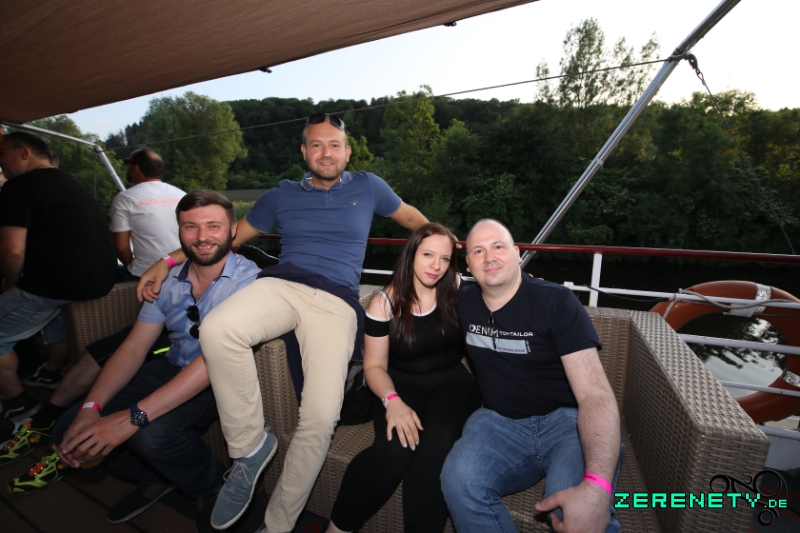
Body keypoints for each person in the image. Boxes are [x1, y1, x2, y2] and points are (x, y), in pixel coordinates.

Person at [137, 113, 429, 533]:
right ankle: (250, 448)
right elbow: (221, 239)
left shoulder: (369, 187)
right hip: (282, 286)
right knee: (218, 329)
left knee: (321, 417)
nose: (325, 153)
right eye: (316, 145)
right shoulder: (280, 195)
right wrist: (165, 262)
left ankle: (277, 526)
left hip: (335, 303)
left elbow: (417, 223)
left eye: (334, 145)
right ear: (304, 152)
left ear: (347, 152)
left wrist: (435, 264)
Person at [7, 191, 260, 532]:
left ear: (232, 230)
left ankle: (212, 486)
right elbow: (134, 348)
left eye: (213, 226)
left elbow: (213, 362)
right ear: (179, 231)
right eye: (190, 227)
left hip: (223, 376)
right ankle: (161, 476)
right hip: (173, 365)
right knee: (70, 427)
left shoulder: (248, 282)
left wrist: (131, 418)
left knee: (151, 436)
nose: (202, 237)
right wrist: (91, 407)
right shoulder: (166, 279)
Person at [440, 219, 622, 533]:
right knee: (459, 480)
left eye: (498, 247)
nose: (489, 257)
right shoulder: (462, 302)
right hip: (498, 422)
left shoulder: (556, 302)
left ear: (517, 253)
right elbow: (416, 299)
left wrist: (597, 486)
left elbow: (595, 394)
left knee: (576, 509)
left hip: (567, 424)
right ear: (468, 264)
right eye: (478, 251)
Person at [325, 223, 481, 533]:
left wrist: (527, 283)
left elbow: (497, 292)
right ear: (411, 254)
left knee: (436, 451)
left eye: (445, 258)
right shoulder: (385, 303)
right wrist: (392, 401)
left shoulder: (456, 288)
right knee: (392, 453)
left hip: (452, 383)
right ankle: (338, 528)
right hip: (397, 384)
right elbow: (374, 366)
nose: (436, 266)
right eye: (428, 255)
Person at [0, 131, 117, 418]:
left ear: (24, 153)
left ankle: (19, 405)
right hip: (99, 280)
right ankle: (50, 373)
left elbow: (12, 252)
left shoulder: (19, 186)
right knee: (54, 317)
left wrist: (10, 284)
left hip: (55, 284)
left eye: (1, 154)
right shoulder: (70, 183)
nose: (0, 162)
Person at [112, 147, 186, 282]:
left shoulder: (125, 198)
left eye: (128, 162)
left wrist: (133, 266)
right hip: (184, 271)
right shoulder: (182, 195)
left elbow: (121, 248)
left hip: (144, 274)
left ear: (136, 168)